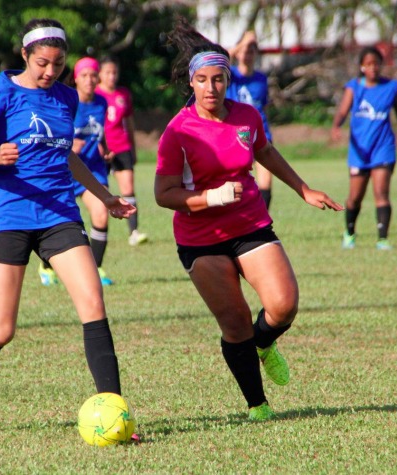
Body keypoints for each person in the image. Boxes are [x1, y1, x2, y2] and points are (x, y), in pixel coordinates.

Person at [155, 17, 343, 421]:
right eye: (202, 80)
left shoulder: (246, 116)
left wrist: (304, 188)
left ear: (228, 80)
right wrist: (211, 197)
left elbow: (267, 152)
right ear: (191, 83)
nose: (211, 88)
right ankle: (257, 404)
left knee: (284, 306)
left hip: (250, 225)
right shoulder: (178, 132)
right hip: (201, 237)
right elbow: (163, 194)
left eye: (218, 79)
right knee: (236, 321)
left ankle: (265, 343)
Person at [0, 19, 135, 409]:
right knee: (3, 329)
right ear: (25, 55)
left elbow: (66, 155)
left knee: (94, 306)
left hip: (58, 213)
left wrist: (105, 196)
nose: (50, 71)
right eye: (42, 62)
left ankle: (114, 409)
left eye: (59, 64)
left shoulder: (67, 98)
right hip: (6, 215)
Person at [38, 56, 117, 287]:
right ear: (76, 78)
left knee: (102, 213)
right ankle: (46, 266)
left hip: (93, 170)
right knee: (56, 221)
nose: (90, 80)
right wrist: (70, 144)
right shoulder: (66, 101)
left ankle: (97, 267)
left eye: (94, 75)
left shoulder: (102, 102)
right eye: (84, 75)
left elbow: (99, 132)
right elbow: (51, 133)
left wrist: (104, 147)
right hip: (64, 170)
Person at [331, 46, 397, 251]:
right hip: (359, 150)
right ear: (361, 67)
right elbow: (342, 110)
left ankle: (382, 239)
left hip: (383, 148)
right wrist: (336, 125)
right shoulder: (354, 87)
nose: (373, 68)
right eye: (368, 64)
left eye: (376, 64)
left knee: (381, 192)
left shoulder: (391, 87)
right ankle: (350, 233)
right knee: (355, 197)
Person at [96, 57, 149, 246]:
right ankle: (99, 230)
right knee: (102, 194)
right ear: (100, 74)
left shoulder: (123, 94)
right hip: (100, 150)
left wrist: (133, 147)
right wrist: (99, 145)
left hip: (121, 147)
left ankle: (133, 232)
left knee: (128, 190)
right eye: (108, 72)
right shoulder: (94, 95)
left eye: (114, 72)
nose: (111, 76)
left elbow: (129, 122)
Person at [226, 31, 275, 209]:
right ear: (238, 52)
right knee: (238, 183)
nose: (247, 54)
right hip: (236, 133)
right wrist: (244, 42)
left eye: (251, 50)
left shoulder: (262, 79)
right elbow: (223, 58)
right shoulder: (231, 75)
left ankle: (260, 222)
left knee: (266, 183)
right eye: (244, 50)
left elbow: (264, 106)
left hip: (260, 132)